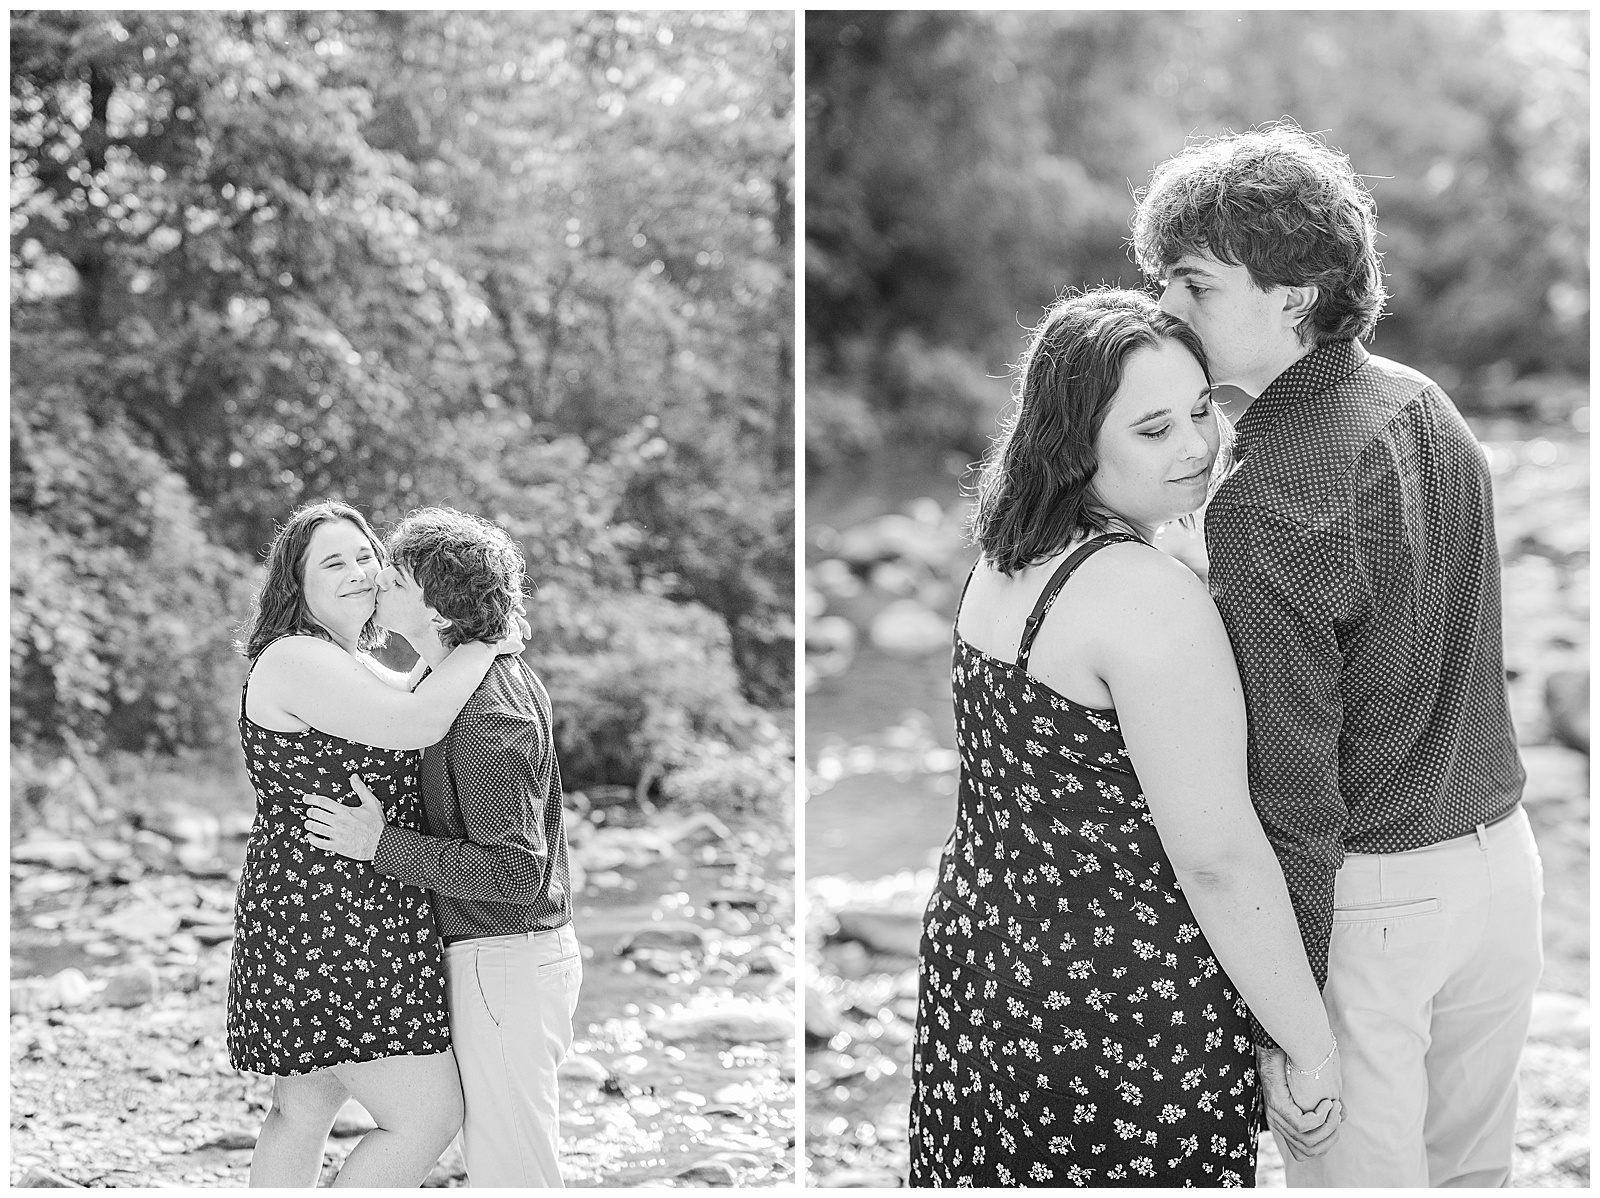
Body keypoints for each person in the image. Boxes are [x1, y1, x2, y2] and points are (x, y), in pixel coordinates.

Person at [1133, 120, 1541, 1187]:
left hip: (1377, 904)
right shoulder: (1425, 404)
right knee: (1473, 1182)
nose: (1162, 309)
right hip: (1504, 870)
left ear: (1293, 294)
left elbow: (1294, 801)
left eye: (1192, 284)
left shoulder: (1262, 504)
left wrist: (1287, 1018)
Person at [908, 289, 1342, 1188]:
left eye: (1201, 410)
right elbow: (1218, 856)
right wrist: (1308, 1043)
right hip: (1118, 1003)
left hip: (986, 966)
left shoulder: (1006, 562)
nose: (1196, 446)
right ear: (1075, 444)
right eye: (1153, 431)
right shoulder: (1151, 599)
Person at [229, 499, 525, 1187]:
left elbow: (418, 688)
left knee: (304, 1106)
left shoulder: (345, 662)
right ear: (293, 585)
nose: (360, 571)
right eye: (334, 561)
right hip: (333, 917)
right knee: (427, 1117)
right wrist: (485, 643)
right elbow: (420, 720)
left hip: (326, 908)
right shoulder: (298, 657)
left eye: (367, 555)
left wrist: (461, 641)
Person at [301, 507, 581, 1188]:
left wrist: (380, 845)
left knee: (514, 1172)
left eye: (393, 577)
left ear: (438, 605)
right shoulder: (452, 678)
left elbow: (515, 872)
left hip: (503, 959)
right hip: (501, 960)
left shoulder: (487, 711)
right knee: (504, 1159)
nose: (375, 584)